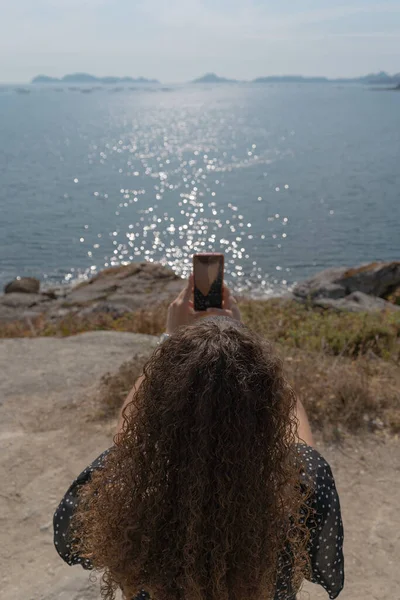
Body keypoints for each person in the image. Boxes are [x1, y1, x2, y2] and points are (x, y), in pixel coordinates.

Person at [54, 276, 344, 600]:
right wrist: (254, 355)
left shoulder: (122, 484)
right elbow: (298, 436)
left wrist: (168, 342)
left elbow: (125, 435)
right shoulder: (300, 487)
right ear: (267, 409)